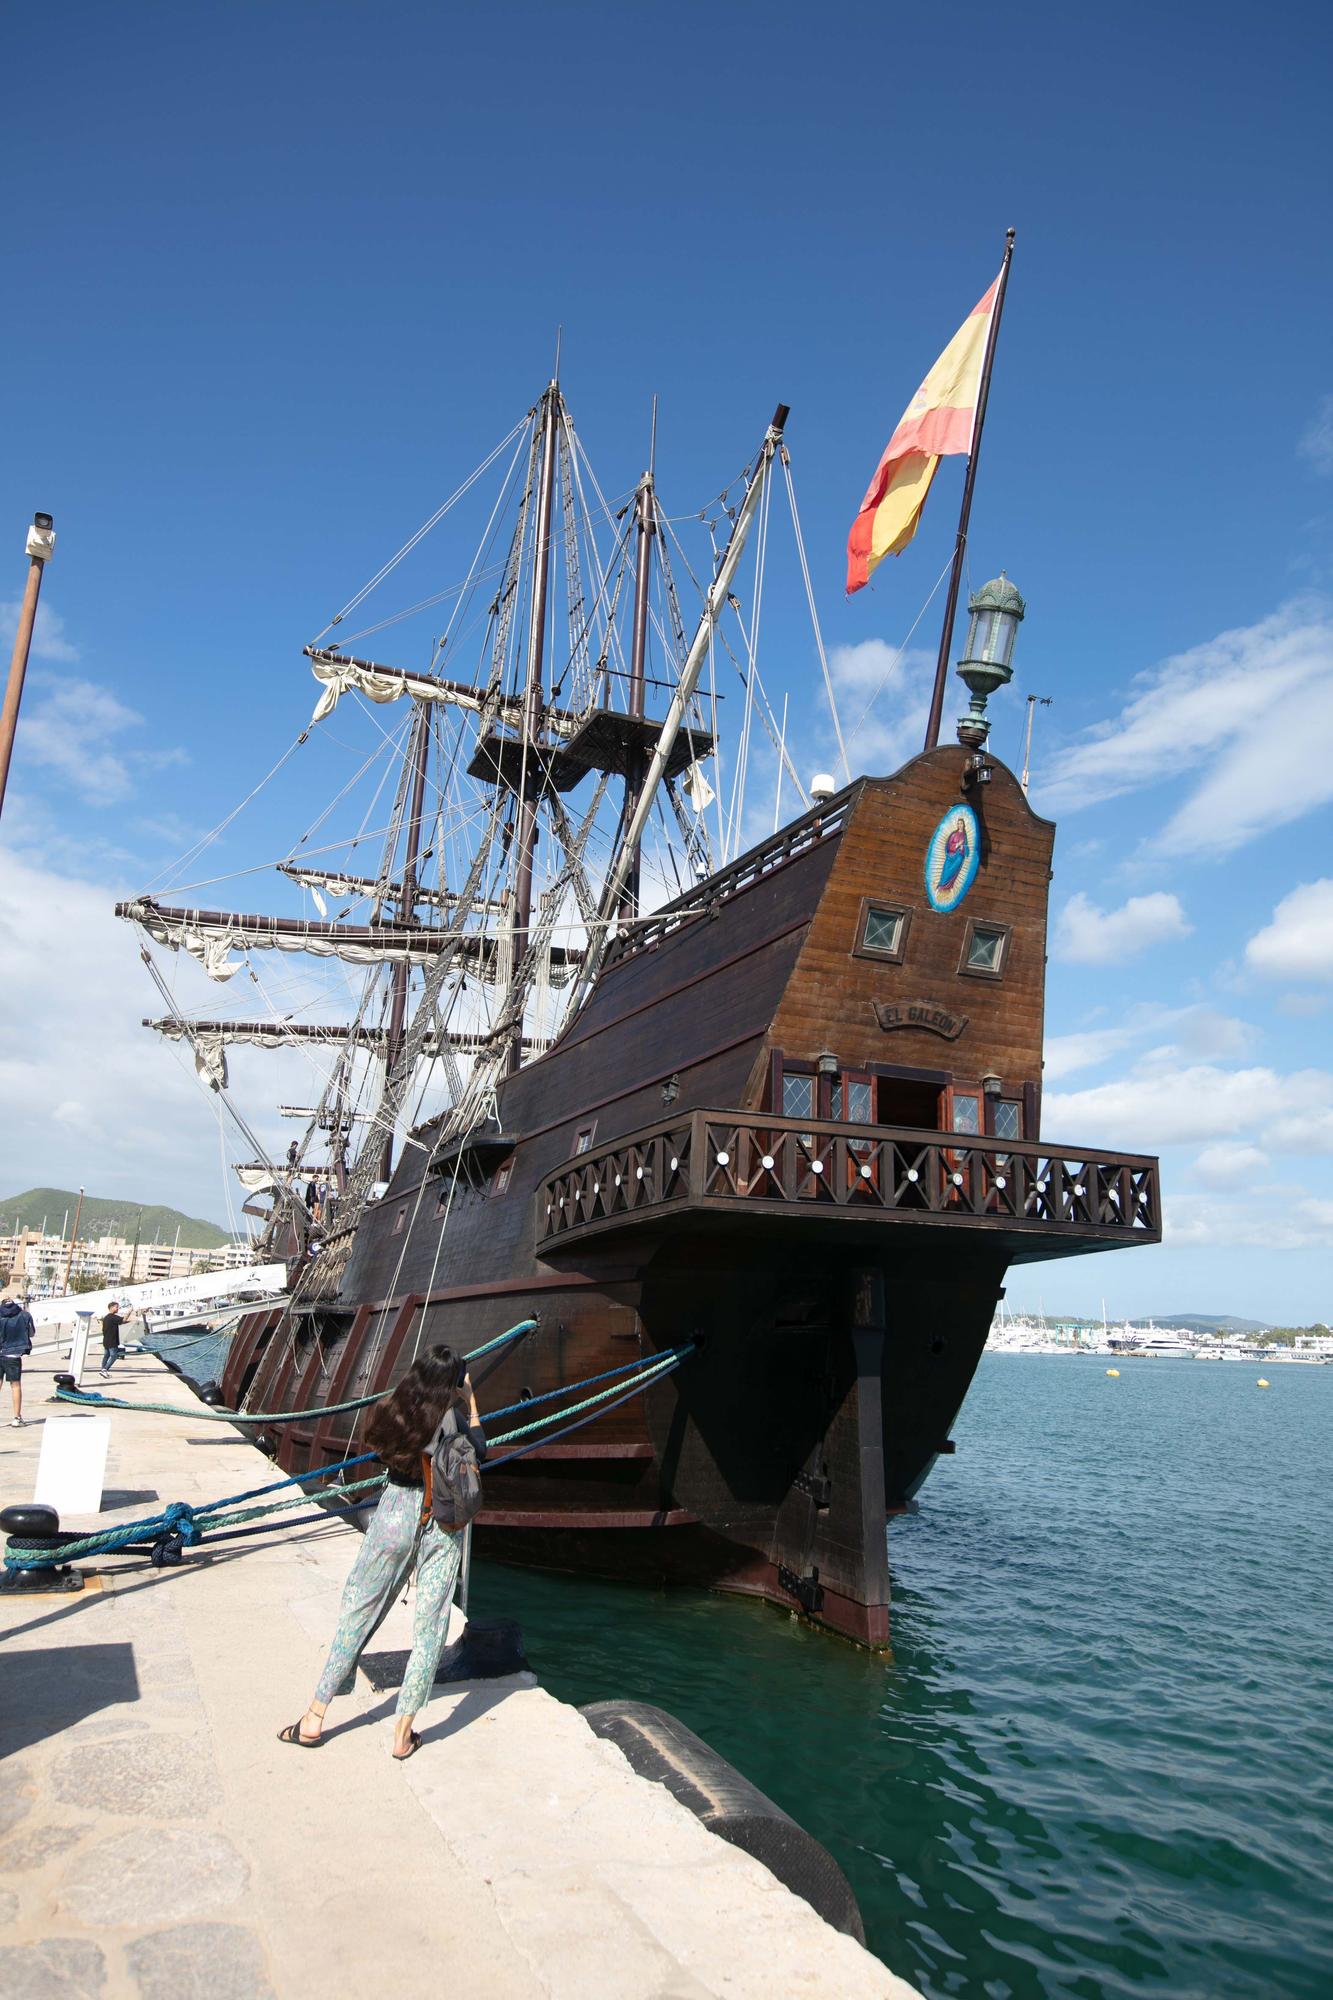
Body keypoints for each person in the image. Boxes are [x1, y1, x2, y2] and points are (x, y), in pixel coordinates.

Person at [279, 1345, 484, 1761]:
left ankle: (315, 1715)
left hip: (393, 1513)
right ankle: (403, 1734)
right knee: (430, 1626)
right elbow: (479, 1451)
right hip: (439, 1521)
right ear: (454, 1382)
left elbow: (378, 1447)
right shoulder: (453, 1418)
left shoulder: (395, 1407)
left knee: (359, 1611)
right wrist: (473, 1402)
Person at [0, 1292, 35, 1427]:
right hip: (13, 1355)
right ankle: (16, 1418)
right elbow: (31, 1333)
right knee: (15, 1386)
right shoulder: (24, 1315)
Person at [99, 1300, 134, 1377]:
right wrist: (129, 1311)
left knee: (106, 1355)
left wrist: (129, 1321)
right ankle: (105, 1369)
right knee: (114, 1356)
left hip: (106, 1340)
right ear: (111, 1307)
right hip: (112, 1340)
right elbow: (123, 1319)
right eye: (116, 1307)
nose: (118, 1309)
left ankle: (102, 1370)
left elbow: (120, 1322)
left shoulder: (107, 1317)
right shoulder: (112, 1317)